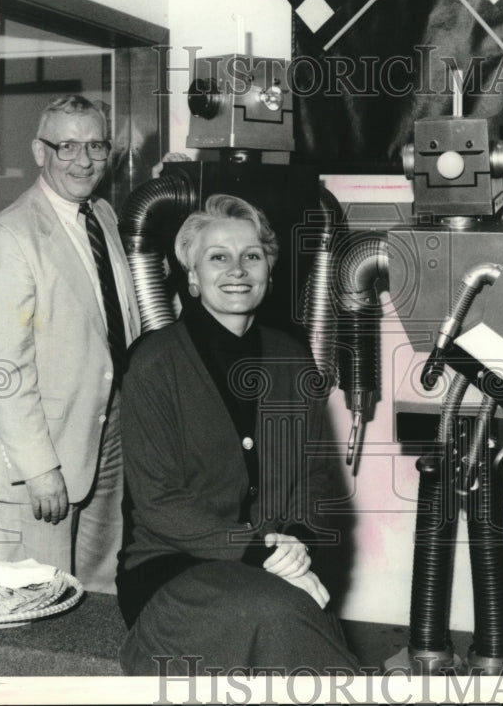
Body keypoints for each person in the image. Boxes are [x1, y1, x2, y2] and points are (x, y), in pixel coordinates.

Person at [116, 194, 359, 675]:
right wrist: (259, 551)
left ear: (268, 269)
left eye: (251, 256)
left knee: (294, 610)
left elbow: (315, 476)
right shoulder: (154, 363)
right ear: (191, 276)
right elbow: (160, 503)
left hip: (273, 558)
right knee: (281, 613)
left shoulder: (293, 357)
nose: (237, 269)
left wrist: (297, 540)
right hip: (174, 564)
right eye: (217, 257)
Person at [0, 94, 141, 593]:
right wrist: (40, 470)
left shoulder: (102, 215)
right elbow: (5, 369)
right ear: (38, 151)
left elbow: (111, 318)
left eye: (95, 145)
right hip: (45, 457)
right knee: (41, 599)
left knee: (100, 587)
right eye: (66, 146)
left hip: (106, 435)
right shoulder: (10, 236)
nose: (83, 160)